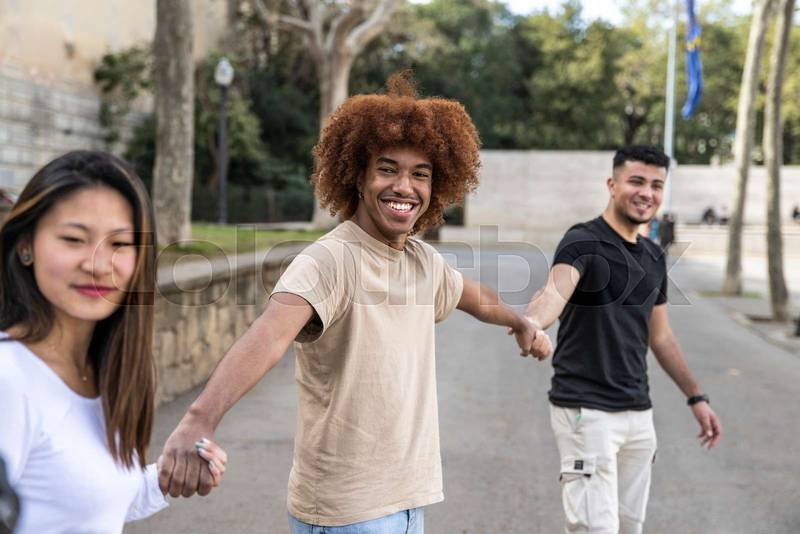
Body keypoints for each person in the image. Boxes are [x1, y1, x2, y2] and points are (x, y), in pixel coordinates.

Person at [157, 73, 553, 533]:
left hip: (408, 502)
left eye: (420, 174)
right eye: (388, 169)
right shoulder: (330, 259)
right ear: (358, 177)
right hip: (349, 513)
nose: (404, 186)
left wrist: (520, 322)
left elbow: (475, 297)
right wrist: (198, 419)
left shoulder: (422, 260)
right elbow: (268, 337)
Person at [0, 151, 228, 533]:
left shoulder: (101, 369)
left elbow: (85, 502)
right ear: (26, 246)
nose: (98, 264)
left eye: (120, 243)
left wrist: (165, 477)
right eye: (73, 239)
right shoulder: (9, 378)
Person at [524, 145, 722, 533]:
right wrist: (532, 323)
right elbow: (553, 293)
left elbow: (661, 337)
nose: (646, 192)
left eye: (656, 185)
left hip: (637, 413)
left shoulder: (653, 256)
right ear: (612, 185)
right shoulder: (582, 241)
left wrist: (696, 397)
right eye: (636, 181)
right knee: (596, 528)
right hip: (585, 409)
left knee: (630, 526)